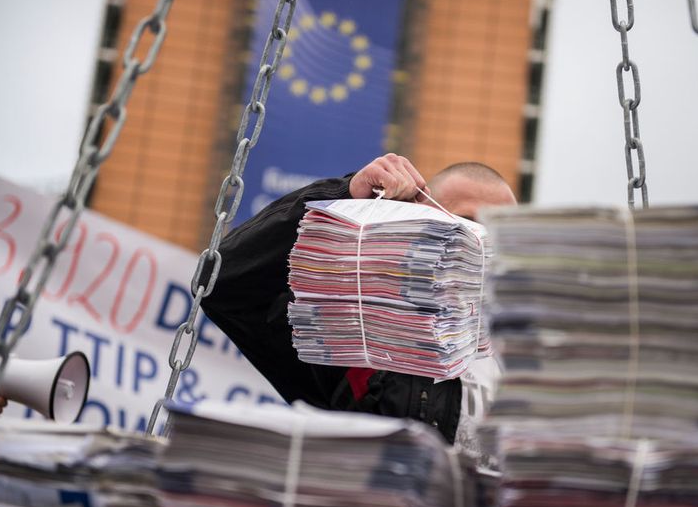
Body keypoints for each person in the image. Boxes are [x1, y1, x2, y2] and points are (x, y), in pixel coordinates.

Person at [200, 154, 516, 445]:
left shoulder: (523, 354)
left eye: (499, 234)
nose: (481, 243)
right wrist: (345, 193)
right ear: (423, 222)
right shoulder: (352, 326)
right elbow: (221, 281)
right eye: (467, 223)